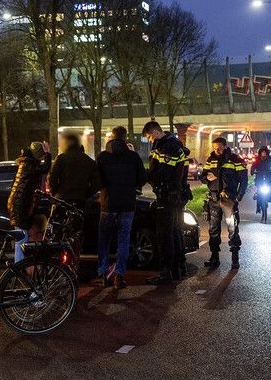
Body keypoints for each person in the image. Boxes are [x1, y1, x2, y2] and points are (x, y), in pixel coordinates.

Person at [95, 126, 146, 289]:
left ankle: (103, 274)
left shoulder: (102, 156)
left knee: (104, 239)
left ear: (112, 137)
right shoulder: (133, 156)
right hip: (127, 204)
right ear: (125, 138)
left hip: (108, 204)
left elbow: (98, 180)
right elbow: (142, 179)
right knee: (123, 241)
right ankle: (119, 276)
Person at [142, 121, 189, 285]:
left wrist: (147, 176)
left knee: (165, 234)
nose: (149, 140)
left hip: (167, 195)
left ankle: (166, 271)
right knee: (175, 231)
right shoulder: (171, 143)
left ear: (154, 131)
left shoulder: (167, 146)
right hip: (175, 195)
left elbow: (164, 173)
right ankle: (178, 267)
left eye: (148, 136)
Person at [200, 137, 248, 270]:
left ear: (226, 146)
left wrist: (238, 197)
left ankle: (235, 258)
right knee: (213, 230)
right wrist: (206, 178)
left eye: (219, 147)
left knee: (232, 228)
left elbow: (244, 180)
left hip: (229, 199)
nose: (217, 150)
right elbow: (202, 176)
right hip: (214, 199)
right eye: (215, 147)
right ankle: (214, 257)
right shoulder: (211, 159)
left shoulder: (235, 159)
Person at [7, 141, 51, 262]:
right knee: (21, 240)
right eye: (41, 155)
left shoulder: (27, 163)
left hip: (19, 206)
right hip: (19, 207)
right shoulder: (28, 166)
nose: (42, 158)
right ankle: (18, 269)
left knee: (22, 238)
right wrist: (48, 154)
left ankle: (19, 269)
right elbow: (45, 168)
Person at [47, 131, 100, 210]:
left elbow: (52, 178)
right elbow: (96, 183)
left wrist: (56, 193)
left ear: (67, 143)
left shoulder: (61, 158)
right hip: (81, 199)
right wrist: (87, 194)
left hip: (62, 198)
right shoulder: (89, 161)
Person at [250, 146, 271, 213]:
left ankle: (270, 197)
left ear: (267, 153)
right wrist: (252, 171)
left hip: (268, 176)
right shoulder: (257, 159)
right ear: (260, 152)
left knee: (270, 187)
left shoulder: (270, 159)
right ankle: (258, 207)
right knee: (259, 192)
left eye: (265, 152)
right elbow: (253, 166)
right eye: (262, 152)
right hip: (259, 177)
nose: (264, 153)